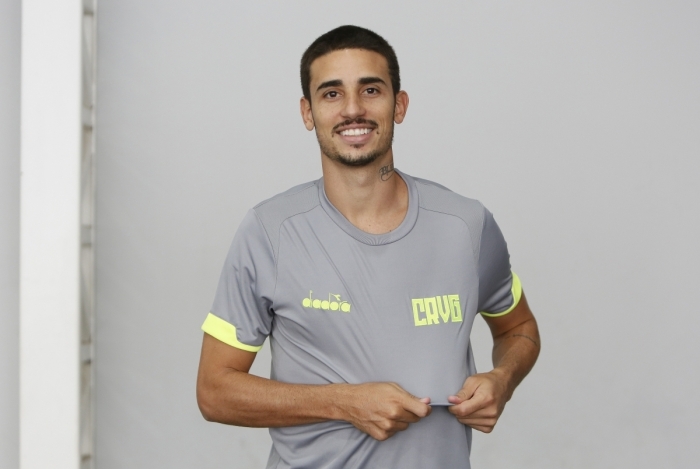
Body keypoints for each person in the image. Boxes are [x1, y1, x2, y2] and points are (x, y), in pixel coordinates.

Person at [196, 25, 540, 468]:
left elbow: (518, 328)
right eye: (332, 93)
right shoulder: (270, 231)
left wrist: (502, 380)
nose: (353, 109)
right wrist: (344, 403)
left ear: (400, 105)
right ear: (308, 112)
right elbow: (214, 391)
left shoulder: (466, 226)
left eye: (371, 90)